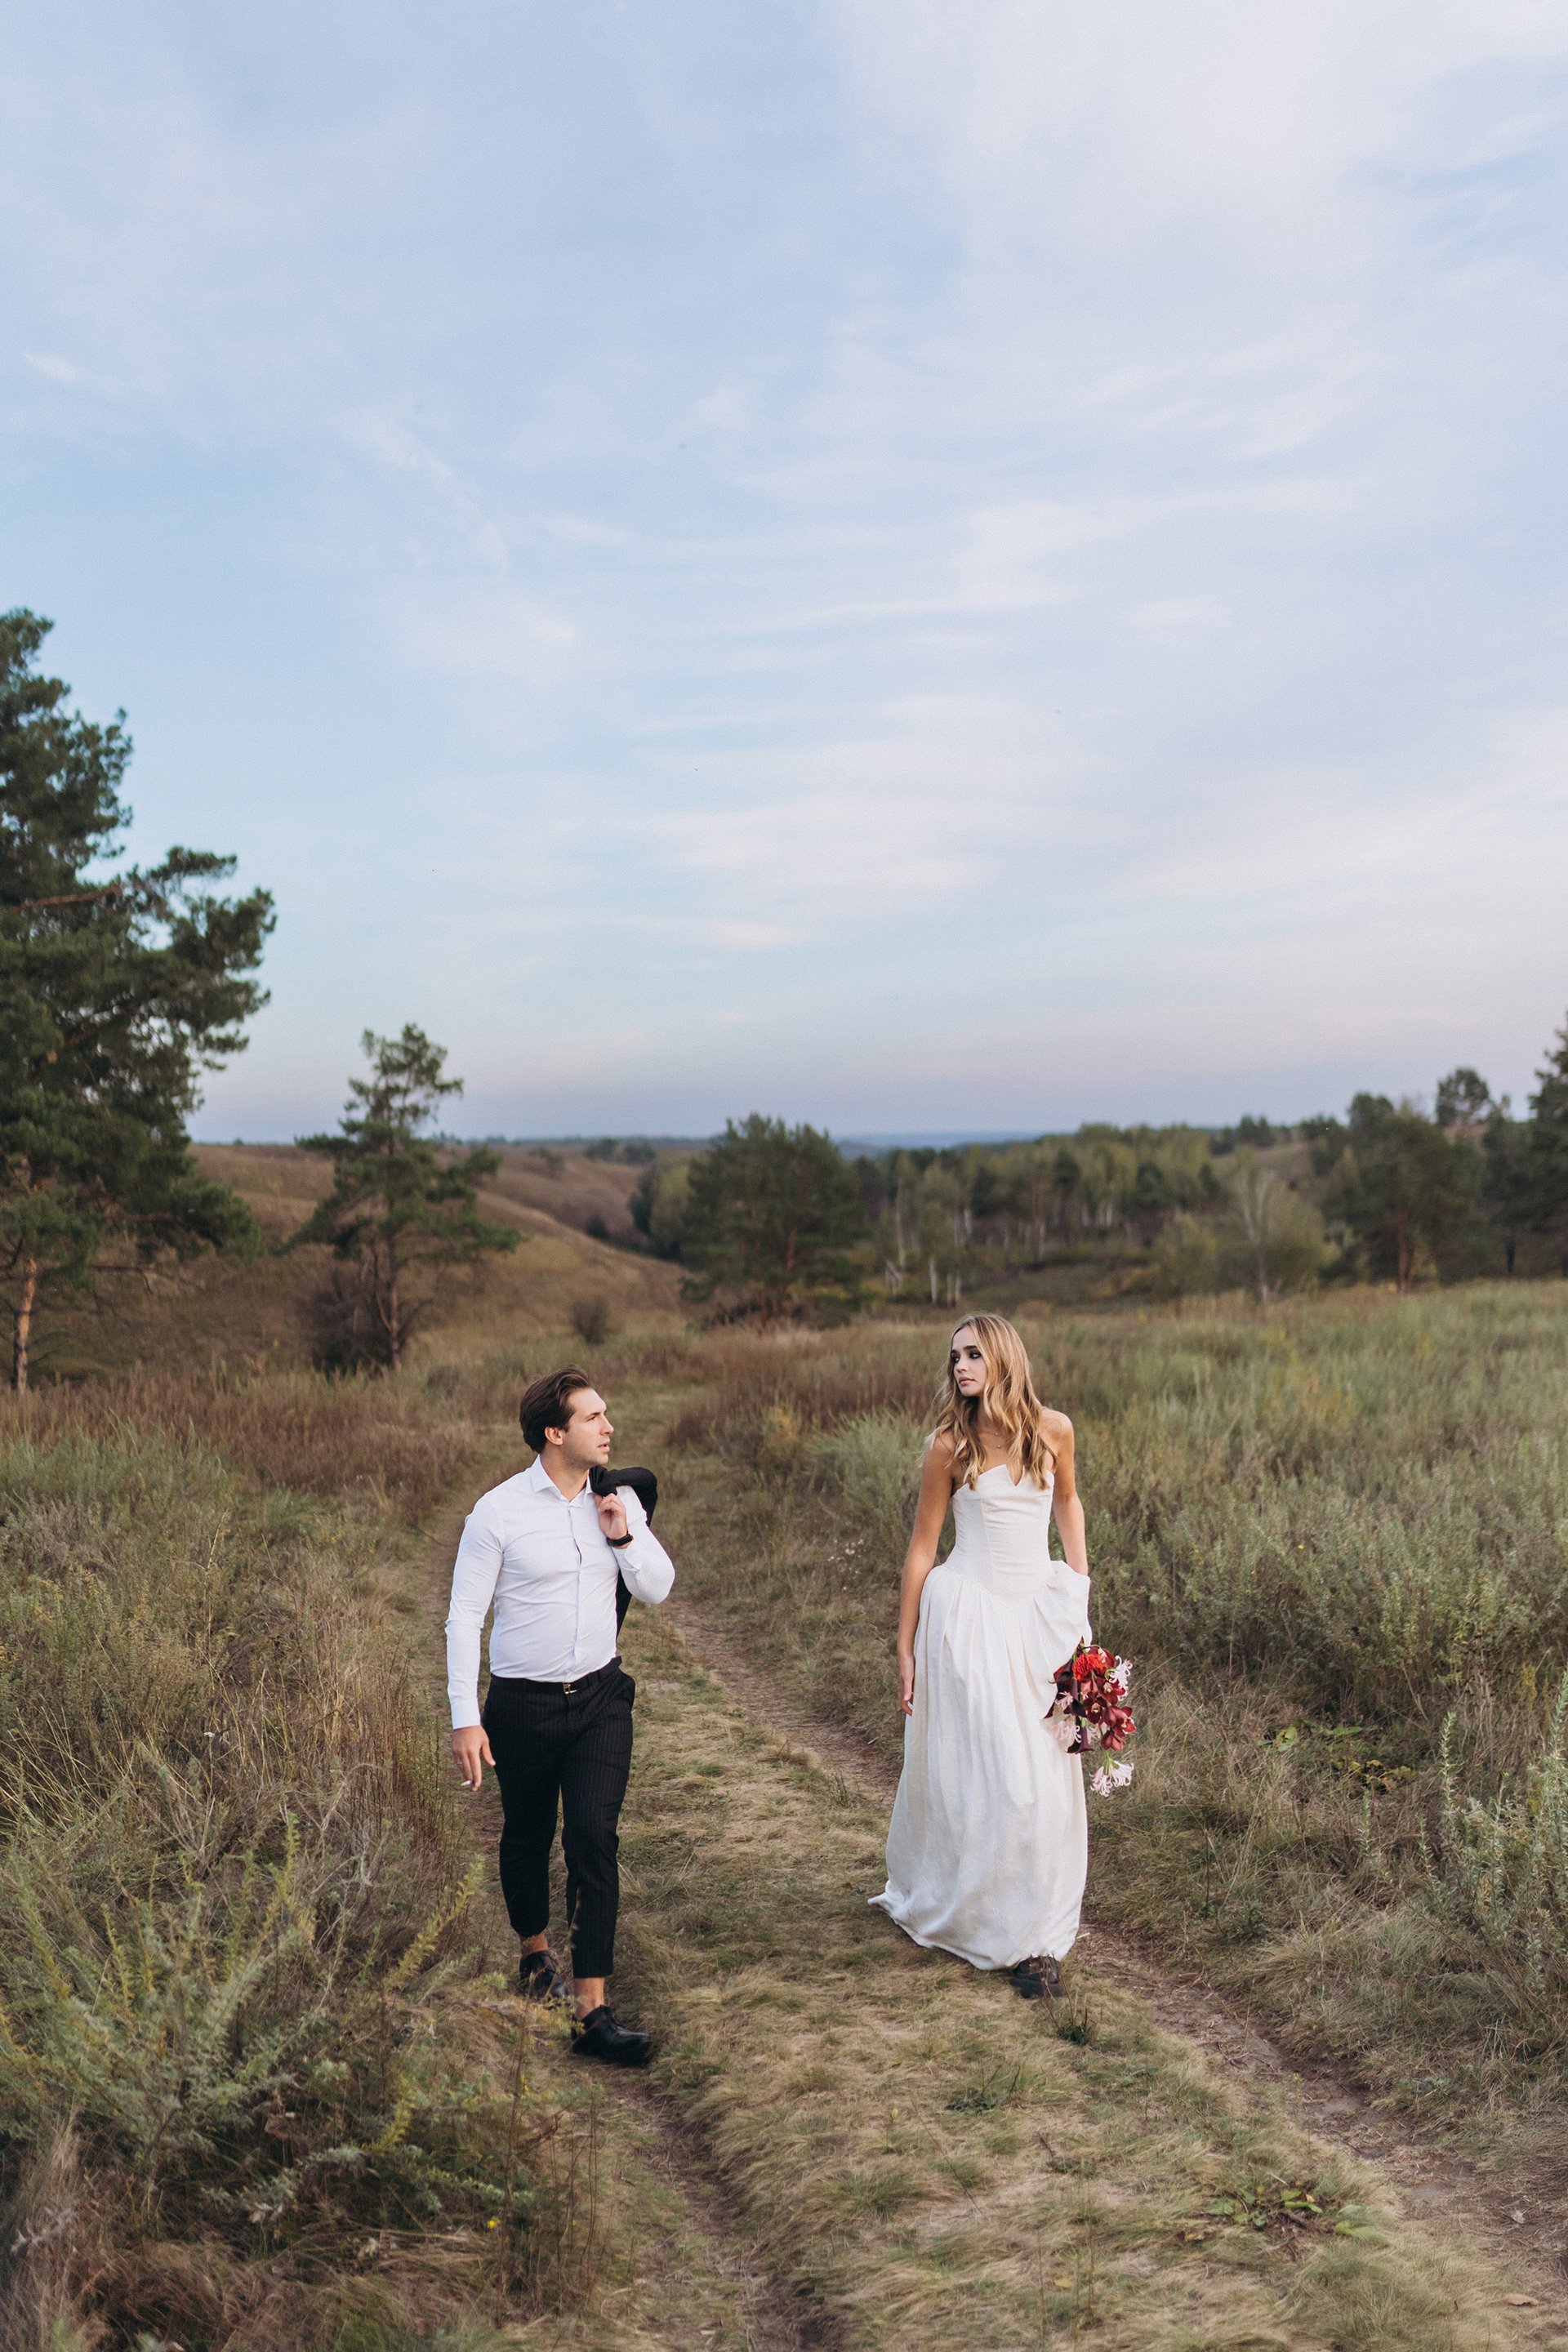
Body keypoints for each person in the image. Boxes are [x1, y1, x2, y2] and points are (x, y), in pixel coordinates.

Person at [446, 1365, 674, 2065]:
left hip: (601, 1698)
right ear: (554, 1432)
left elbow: (659, 1589)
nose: (609, 1427)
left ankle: (592, 2012)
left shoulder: (618, 1498)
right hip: (523, 1705)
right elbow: (464, 1618)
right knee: (527, 1833)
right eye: (593, 1417)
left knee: (593, 1838)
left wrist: (624, 1538)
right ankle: (534, 1953)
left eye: (606, 1414)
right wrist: (465, 1718)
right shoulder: (498, 1513)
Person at [871, 1314, 1092, 2000]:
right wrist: (905, 1643)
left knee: (1043, 1780)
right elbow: (922, 1548)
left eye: (972, 1354)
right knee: (994, 1777)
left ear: (1002, 1359)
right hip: (967, 1619)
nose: (960, 1367)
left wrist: (1078, 1595)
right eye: (954, 1357)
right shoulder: (949, 1446)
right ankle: (1005, 1931)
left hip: (1038, 1619)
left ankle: (1037, 1934)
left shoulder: (1054, 1430)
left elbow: (1069, 1505)